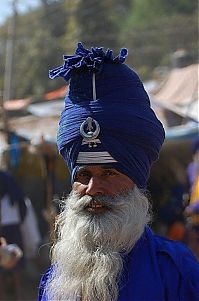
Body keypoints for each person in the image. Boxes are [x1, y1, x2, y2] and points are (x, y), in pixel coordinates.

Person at [38, 43, 199, 301]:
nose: (93, 189)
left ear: (135, 182)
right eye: (83, 176)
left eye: (109, 174)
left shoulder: (176, 271)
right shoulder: (55, 280)